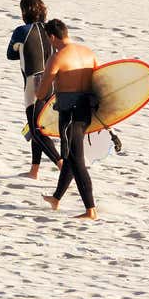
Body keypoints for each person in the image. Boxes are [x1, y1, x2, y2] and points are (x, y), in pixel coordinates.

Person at [35, 19, 98, 220]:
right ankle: (56, 198)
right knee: (71, 155)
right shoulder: (88, 52)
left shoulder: (57, 58)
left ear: (52, 37)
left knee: (76, 159)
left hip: (69, 113)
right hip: (87, 111)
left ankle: (90, 210)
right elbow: (101, 80)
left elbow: (42, 92)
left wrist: (38, 90)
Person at [6, 0, 62, 179]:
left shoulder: (21, 31)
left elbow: (10, 54)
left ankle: (61, 164)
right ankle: (34, 170)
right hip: (54, 83)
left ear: (24, 12)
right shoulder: (50, 30)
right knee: (37, 125)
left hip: (34, 82)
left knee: (36, 128)